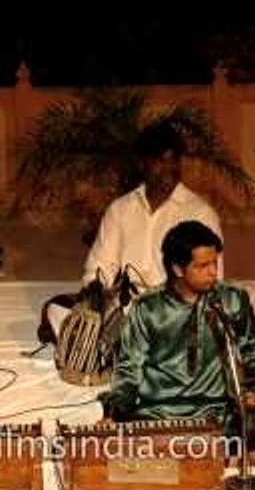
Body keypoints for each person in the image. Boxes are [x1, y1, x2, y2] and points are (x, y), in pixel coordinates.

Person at [99, 220, 255, 462]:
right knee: (125, 431)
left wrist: (250, 391)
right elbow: (129, 367)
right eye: (202, 266)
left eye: (214, 263)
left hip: (217, 412)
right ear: (177, 268)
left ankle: (199, 447)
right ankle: (220, 450)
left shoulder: (231, 299)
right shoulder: (148, 308)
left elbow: (254, 348)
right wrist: (115, 411)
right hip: (159, 414)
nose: (214, 272)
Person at [40, 121, 224, 352]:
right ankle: (109, 348)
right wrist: (94, 300)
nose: (168, 167)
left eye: (173, 160)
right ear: (142, 164)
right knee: (56, 308)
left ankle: (115, 354)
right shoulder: (121, 209)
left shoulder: (200, 213)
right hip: (124, 311)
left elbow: (210, 282)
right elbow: (100, 266)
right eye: (159, 160)